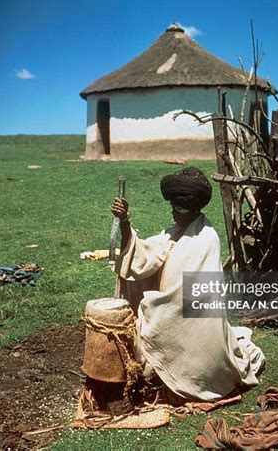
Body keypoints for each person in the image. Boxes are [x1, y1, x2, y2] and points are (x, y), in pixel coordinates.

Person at [110, 167, 265, 401]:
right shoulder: (174, 232)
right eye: (172, 207)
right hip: (169, 312)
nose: (173, 213)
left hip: (193, 325)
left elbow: (195, 297)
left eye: (178, 208)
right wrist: (124, 222)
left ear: (194, 209)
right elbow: (144, 255)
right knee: (142, 358)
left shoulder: (206, 239)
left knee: (165, 366)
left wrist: (152, 305)